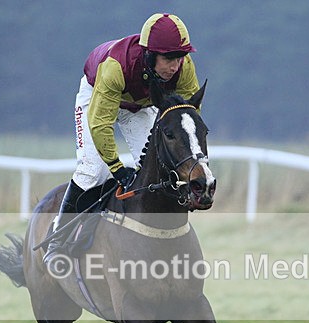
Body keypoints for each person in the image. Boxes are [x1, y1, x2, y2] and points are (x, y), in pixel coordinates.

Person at [44, 13, 201, 263]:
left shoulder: (184, 68)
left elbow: (188, 116)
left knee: (159, 164)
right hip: (98, 98)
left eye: (179, 57)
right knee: (93, 171)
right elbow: (100, 124)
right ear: (150, 55)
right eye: (169, 58)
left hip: (138, 107)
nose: (175, 66)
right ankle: (56, 240)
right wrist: (117, 169)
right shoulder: (115, 67)